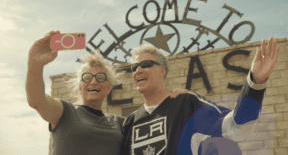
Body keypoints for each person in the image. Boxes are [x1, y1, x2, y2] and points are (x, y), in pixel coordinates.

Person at [25, 30, 188, 155]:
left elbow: (161, 130)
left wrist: (176, 101)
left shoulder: (122, 124)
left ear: (108, 87)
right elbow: (36, 100)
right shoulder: (64, 112)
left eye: (100, 77)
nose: (94, 81)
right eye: (87, 77)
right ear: (80, 86)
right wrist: (35, 66)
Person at [120, 37, 280, 155]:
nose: (138, 70)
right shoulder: (130, 122)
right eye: (134, 67)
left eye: (146, 64)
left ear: (162, 70)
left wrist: (255, 84)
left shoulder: (186, 103)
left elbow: (235, 127)